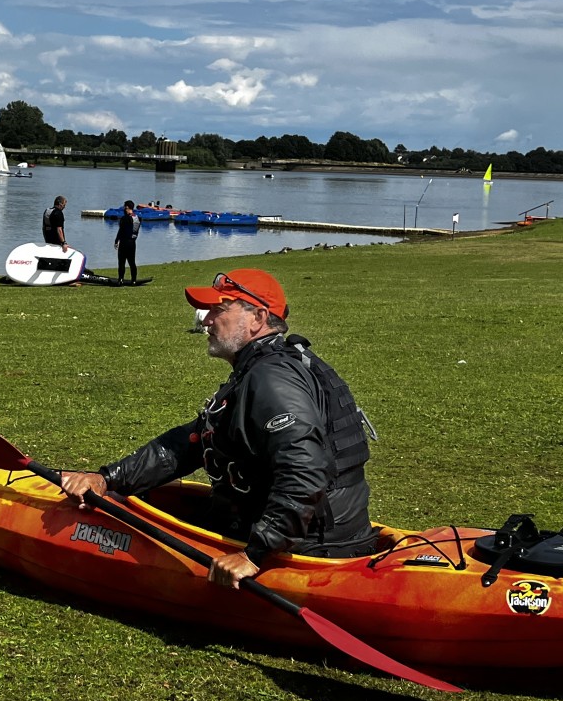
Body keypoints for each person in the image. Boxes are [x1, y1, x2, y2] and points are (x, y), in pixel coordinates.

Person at [59, 269, 379, 589]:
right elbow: (193, 442)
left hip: (311, 547)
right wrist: (109, 477)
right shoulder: (262, 367)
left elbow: (306, 470)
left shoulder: (272, 378)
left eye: (218, 310)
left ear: (258, 317)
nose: (206, 321)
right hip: (310, 532)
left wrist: (255, 553)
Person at [114, 198, 140, 283]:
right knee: (132, 262)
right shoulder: (137, 218)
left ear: (127, 207)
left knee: (121, 262)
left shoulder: (125, 218)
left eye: (125, 207)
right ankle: (134, 280)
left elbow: (121, 231)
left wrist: (116, 241)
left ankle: (120, 279)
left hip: (124, 242)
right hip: (132, 242)